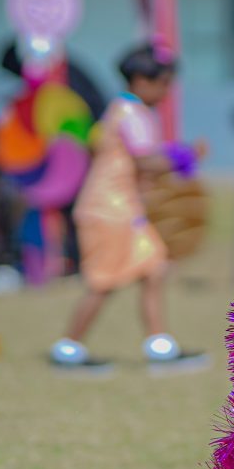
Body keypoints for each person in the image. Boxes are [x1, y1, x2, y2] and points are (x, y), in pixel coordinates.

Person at [50, 44, 206, 373]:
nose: (166, 92)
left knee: (153, 269)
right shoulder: (133, 114)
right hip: (110, 210)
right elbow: (145, 161)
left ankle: (160, 347)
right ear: (139, 80)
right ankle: (68, 349)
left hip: (122, 209)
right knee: (102, 283)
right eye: (162, 84)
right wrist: (185, 157)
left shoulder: (122, 109)